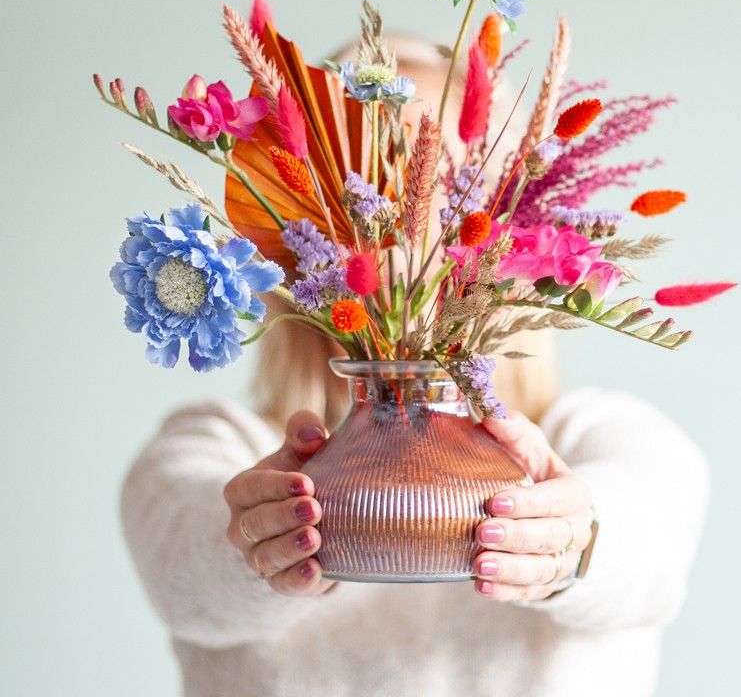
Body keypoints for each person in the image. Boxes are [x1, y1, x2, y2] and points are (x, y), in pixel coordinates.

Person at [121, 35, 710, 697]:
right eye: (371, 189)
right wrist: (258, 541)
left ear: (517, 220)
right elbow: (185, 571)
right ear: (288, 224)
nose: (408, 224)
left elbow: (648, 548)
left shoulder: (606, 436)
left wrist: (571, 541)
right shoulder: (218, 444)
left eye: (451, 190)